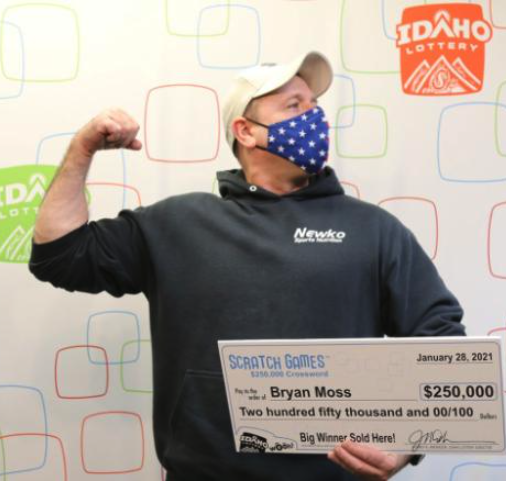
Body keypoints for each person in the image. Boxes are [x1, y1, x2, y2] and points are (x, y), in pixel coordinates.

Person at [28, 51, 465, 481]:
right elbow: (60, 254)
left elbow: (441, 339)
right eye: (294, 105)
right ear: (246, 131)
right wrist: (83, 148)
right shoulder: (177, 223)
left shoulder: (373, 229)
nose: (314, 117)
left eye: (315, 105)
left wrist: (408, 442)